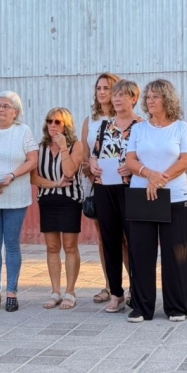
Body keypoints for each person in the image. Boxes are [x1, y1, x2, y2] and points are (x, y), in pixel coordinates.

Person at [123, 79, 187, 322]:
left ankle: (176, 306)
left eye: (155, 96)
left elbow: (186, 160)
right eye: (148, 97)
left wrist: (160, 180)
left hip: (174, 197)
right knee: (141, 253)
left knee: (176, 254)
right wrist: (149, 175)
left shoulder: (182, 128)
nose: (150, 100)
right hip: (142, 196)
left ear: (168, 100)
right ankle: (142, 307)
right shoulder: (139, 129)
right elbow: (130, 160)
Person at [88, 79, 143, 313]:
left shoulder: (142, 126)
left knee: (135, 241)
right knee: (110, 241)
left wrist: (133, 166)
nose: (118, 99)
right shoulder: (104, 125)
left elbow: (149, 157)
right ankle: (116, 293)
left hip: (131, 188)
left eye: (123, 95)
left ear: (134, 99)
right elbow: (94, 154)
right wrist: (92, 164)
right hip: (104, 187)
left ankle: (137, 290)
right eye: (115, 95)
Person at [0, 91, 37, 313]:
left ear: (16, 112)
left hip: (16, 195)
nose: (1, 109)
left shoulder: (23, 131)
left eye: (6, 106)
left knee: (11, 244)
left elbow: (32, 160)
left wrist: (11, 176)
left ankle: (12, 291)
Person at [31, 108, 85, 310]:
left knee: (70, 246)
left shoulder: (76, 146)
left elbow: (70, 170)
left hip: (70, 201)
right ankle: (55, 291)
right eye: (49, 121)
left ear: (66, 125)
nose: (53, 125)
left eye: (58, 122)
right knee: (52, 247)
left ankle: (70, 291)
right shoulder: (40, 147)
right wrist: (54, 184)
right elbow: (34, 178)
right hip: (47, 200)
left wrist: (63, 147)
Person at [80, 72, 123, 305]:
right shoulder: (90, 120)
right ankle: (110, 285)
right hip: (96, 184)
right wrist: (90, 170)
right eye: (99, 88)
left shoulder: (126, 119)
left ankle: (134, 284)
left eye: (107, 88)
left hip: (121, 185)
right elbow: (85, 156)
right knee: (104, 238)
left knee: (126, 238)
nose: (102, 92)